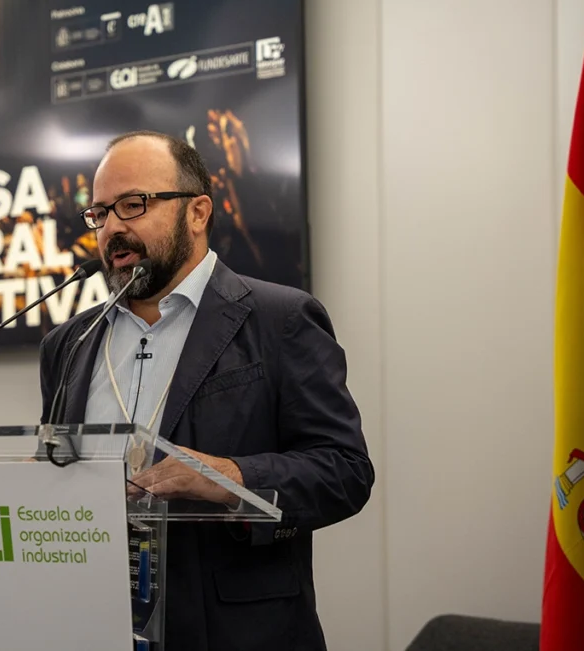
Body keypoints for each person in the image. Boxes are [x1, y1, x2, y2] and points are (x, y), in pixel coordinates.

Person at [38, 130, 374, 651]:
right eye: (100, 214)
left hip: (237, 633)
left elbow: (345, 472)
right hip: (95, 625)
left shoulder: (280, 320)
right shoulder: (68, 342)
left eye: (133, 205)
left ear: (197, 213)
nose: (112, 229)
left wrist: (233, 477)